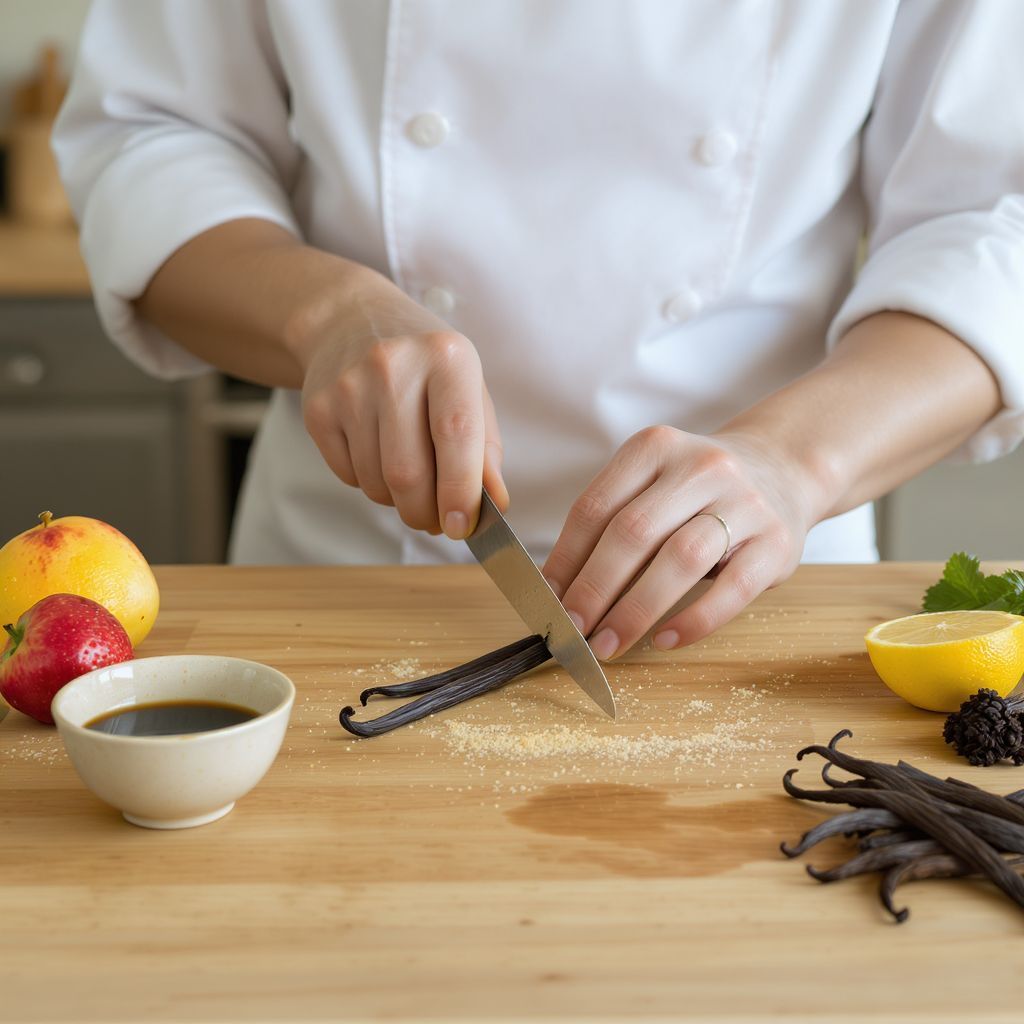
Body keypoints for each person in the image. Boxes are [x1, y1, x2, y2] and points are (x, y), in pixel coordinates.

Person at [53, 1, 1024, 662]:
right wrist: (325, 313)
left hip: (751, 594)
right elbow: (153, 136)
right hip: (348, 574)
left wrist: (794, 463)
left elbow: (991, 219)